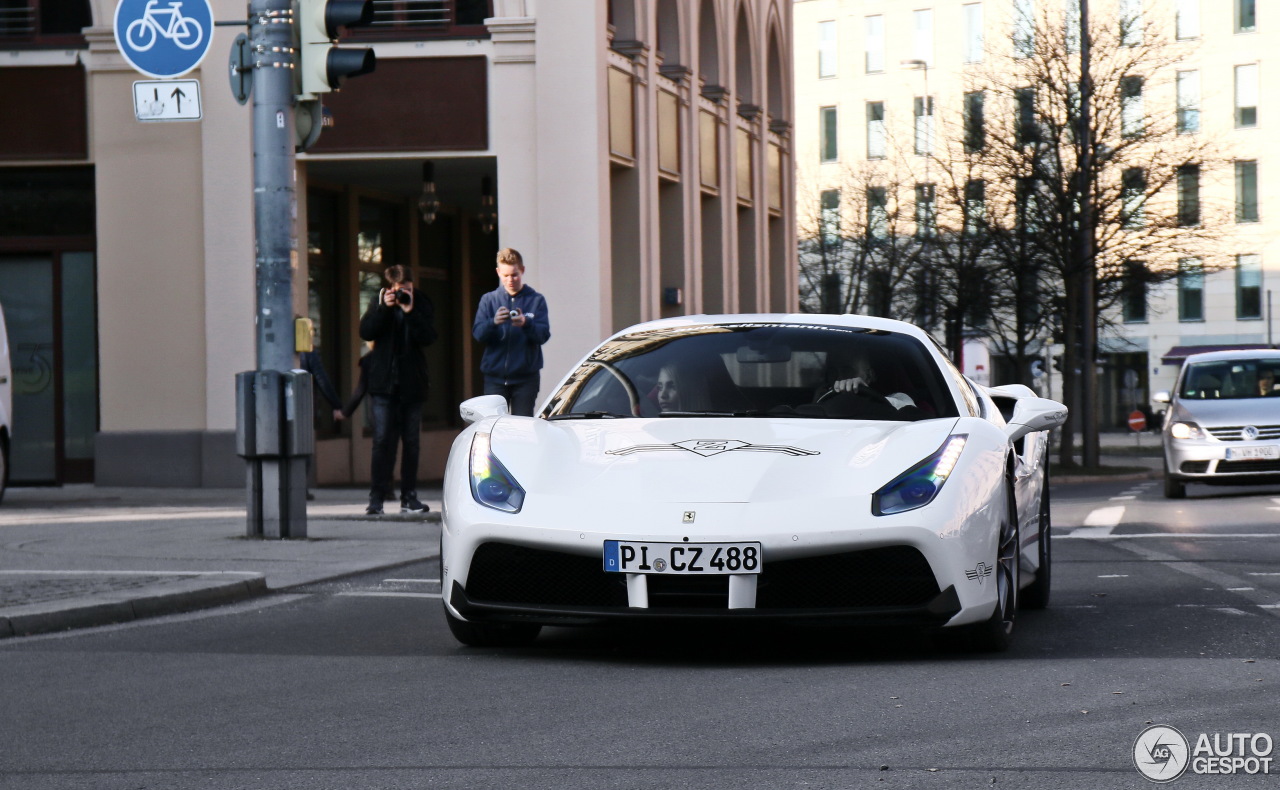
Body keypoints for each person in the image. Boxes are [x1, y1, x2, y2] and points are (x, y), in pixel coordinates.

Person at [358, 265, 437, 515]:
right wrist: (384, 308)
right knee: (382, 441)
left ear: (412, 286)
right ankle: (376, 498)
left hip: (412, 384)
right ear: (389, 288)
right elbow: (366, 331)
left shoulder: (421, 303)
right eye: (397, 290)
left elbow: (429, 337)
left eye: (407, 289)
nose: (402, 293)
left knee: (411, 443)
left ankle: (409, 496)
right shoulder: (379, 302)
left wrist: (410, 311)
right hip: (383, 385)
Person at [472, 248, 551, 416]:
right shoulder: (489, 300)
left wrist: (525, 323)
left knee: (522, 427)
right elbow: (478, 334)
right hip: (495, 377)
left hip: (526, 378)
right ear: (498, 272)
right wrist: (493, 322)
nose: (510, 280)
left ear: (522, 270)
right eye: (505, 275)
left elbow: (543, 335)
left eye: (514, 275)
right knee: (493, 425)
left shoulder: (536, 300)